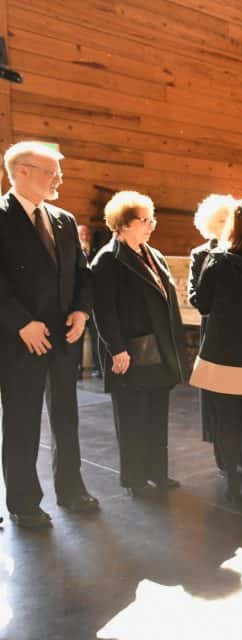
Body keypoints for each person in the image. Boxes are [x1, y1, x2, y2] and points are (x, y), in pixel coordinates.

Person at [0, 141, 99, 527]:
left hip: (63, 339)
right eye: (50, 171)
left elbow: (83, 274)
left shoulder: (63, 219)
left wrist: (80, 310)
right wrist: (21, 322)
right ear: (21, 171)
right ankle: (24, 504)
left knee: (66, 419)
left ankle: (71, 490)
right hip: (18, 340)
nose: (59, 178)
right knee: (22, 421)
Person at [91, 191, 187, 497]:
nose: (151, 225)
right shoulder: (108, 259)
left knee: (157, 415)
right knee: (131, 418)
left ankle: (158, 473)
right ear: (122, 224)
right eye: (144, 220)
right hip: (131, 352)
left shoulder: (153, 254)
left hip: (159, 351)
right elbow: (104, 311)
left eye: (152, 219)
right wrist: (116, 348)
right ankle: (134, 480)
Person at [190, 198, 242, 510]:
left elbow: (203, 305)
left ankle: (233, 487)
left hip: (222, 357)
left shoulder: (218, 261)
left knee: (227, 424)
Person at [189, 194, 236, 474]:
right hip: (215, 330)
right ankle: (225, 459)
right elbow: (197, 296)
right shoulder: (201, 254)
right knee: (218, 402)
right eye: (220, 219)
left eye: (228, 218)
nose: (225, 224)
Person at [78, 224, 103, 378]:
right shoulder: (74, 251)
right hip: (79, 304)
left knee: (96, 336)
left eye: (87, 234)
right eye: (82, 234)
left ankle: (98, 367)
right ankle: (77, 368)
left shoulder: (96, 253)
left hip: (94, 303)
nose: (85, 237)